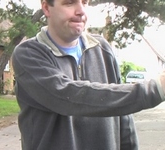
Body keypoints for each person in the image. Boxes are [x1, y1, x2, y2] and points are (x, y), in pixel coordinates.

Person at [12, 0, 165, 149]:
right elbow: (68, 96)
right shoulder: (28, 55)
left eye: (85, 2)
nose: (81, 11)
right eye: (69, 3)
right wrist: (156, 89)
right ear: (46, 8)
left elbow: (123, 119)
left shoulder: (102, 49)